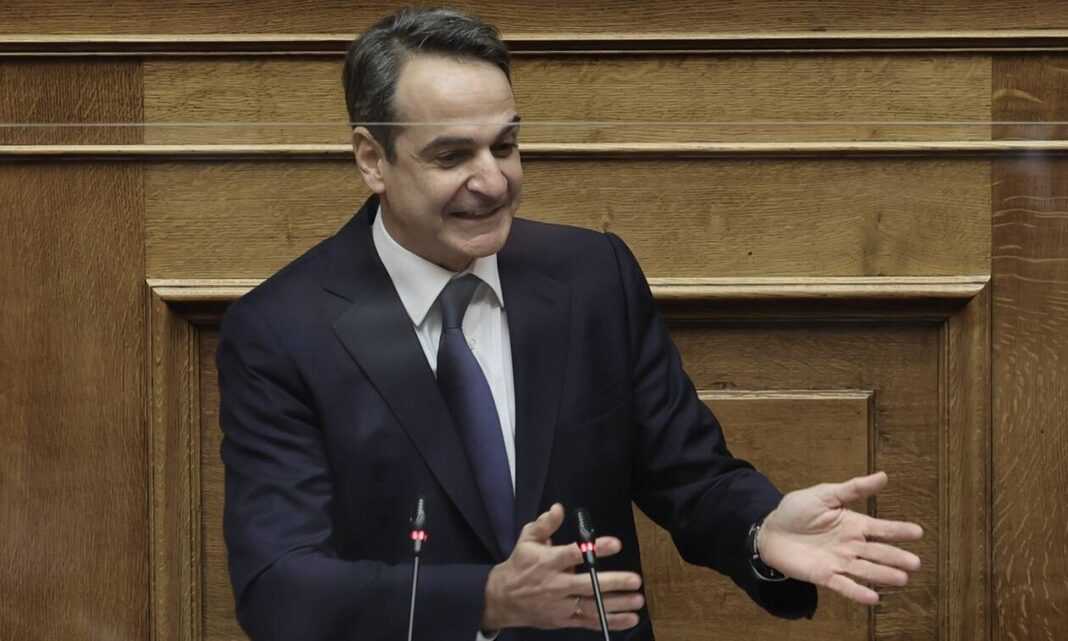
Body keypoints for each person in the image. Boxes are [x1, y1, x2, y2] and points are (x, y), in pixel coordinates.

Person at [216, 7, 923, 641]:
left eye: (505, 145)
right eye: (452, 156)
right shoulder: (282, 330)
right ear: (373, 158)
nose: (493, 181)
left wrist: (761, 528)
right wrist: (485, 600)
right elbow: (280, 588)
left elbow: (690, 475)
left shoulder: (593, 277)